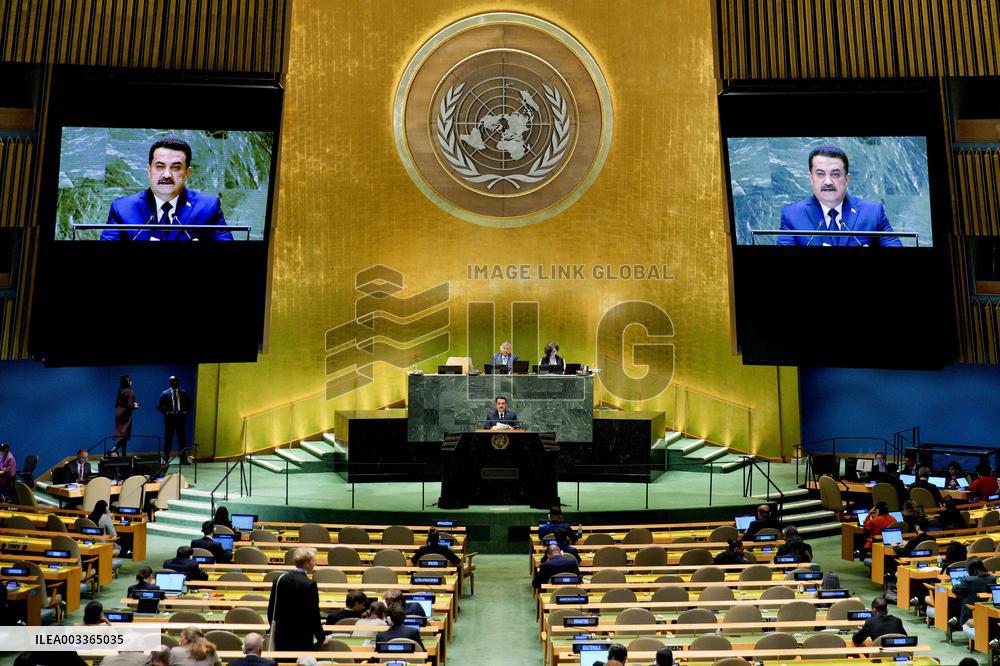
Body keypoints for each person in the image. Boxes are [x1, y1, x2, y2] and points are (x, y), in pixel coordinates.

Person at [100, 138, 233, 242]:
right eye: (160, 166)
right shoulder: (123, 208)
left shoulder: (208, 207)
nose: (167, 175)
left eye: (175, 167)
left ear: (187, 173)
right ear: (149, 171)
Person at [778, 145, 902, 247]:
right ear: (811, 179)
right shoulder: (792, 215)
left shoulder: (873, 212)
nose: (828, 182)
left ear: (847, 179)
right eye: (820, 174)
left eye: (835, 174)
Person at [267, 547, 325, 650]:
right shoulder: (310, 584)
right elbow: (314, 615)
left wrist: (273, 629)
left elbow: (271, 608)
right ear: (307, 564)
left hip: (281, 634)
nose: (315, 563)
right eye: (313, 560)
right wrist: (321, 638)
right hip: (302, 637)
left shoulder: (279, 579)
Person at [157, 376, 192, 464]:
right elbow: (159, 406)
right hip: (170, 420)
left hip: (181, 419)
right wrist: (167, 412)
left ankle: (183, 459)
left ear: (179, 382)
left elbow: (190, 405)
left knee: (182, 440)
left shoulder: (184, 393)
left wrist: (185, 411)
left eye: (176, 382)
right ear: (170, 383)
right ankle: (165, 459)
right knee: (168, 440)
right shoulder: (165, 393)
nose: (175, 384)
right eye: (173, 382)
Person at [953, 556, 996, 626]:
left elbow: (955, 590)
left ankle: (961, 624)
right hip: (988, 611)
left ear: (970, 569)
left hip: (972, 613)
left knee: (965, 599)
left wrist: (961, 582)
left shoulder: (969, 580)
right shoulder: (992, 578)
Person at [109, 375, 139, 457]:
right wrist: (134, 406)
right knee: (126, 436)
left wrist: (132, 405)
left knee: (123, 436)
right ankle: (113, 449)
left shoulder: (121, 390)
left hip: (119, 412)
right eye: (130, 380)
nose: (132, 382)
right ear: (128, 381)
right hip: (126, 414)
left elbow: (118, 403)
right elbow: (129, 404)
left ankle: (124, 455)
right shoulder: (130, 391)